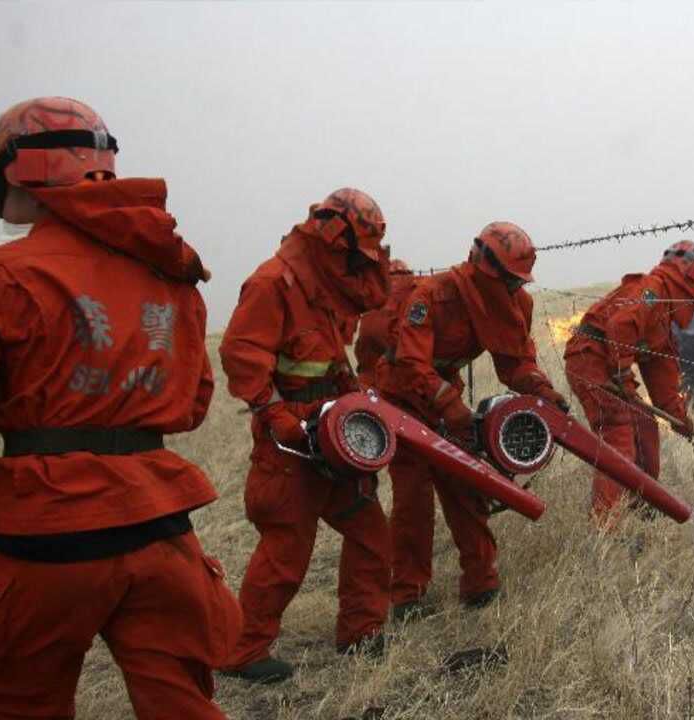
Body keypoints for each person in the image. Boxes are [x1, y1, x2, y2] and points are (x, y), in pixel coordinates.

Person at [0, 97, 240, 719]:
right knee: (182, 704)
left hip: (45, 535)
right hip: (161, 528)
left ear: (13, 173)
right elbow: (195, 403)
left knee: (19, 702)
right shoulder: (170, 273)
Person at [218, 188, 392, 684]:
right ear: (332, 238)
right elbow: (241, 355)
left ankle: (362, 632)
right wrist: (274, 415)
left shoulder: (332, 285)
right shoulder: (273, 283)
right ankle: (243, 651)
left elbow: (335, 348)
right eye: (355, 255)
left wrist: (352, 397)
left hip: (333, 426)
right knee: (286, 549)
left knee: (369, 531)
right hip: (290, 434)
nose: (360, 265)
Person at [376, 222, 567, 618]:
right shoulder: (431, 296)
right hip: (405, 402)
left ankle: (480, 584)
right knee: (413, 501)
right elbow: (411, 362)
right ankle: (407, 595)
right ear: (485, 269)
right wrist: (448, 404)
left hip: (446, 400)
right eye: (510, 282)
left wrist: (542, 391)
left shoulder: (513, 304)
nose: (515, 290)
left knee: (467, 487)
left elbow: (515, 363)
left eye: (519, 283)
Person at [563, 240, 694, 524]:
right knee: (618, 436)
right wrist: (621, 373)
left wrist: (678, 418)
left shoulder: (662, 317)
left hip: (606, 368)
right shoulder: (653, 292)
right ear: (693, 279)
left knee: (644, 423)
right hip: (590, 361)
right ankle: (605, 528)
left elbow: (662, 378)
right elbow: (621, 325)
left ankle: (639, 510)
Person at [354, 258, 416, 387]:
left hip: (368, 382)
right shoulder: (414, 295)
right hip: (399, 384)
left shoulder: (372, 298)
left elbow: (362, 346)